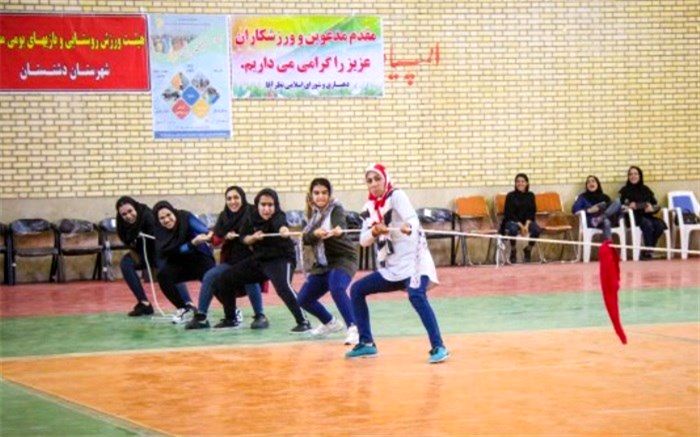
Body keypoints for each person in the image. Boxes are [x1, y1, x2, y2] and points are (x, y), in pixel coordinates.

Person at [345, 164, 449, 364]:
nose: (374, 184)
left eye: (377, 179)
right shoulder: (369, 209)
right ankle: (366, 343)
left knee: (416, 294)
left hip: (415, 263)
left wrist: (408, 226)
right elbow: (363, 240)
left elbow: (413, 219)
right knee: (357, 290)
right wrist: (374, 231)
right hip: (391, 268)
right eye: (369, 180)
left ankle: (439, 346)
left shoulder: (397, 196)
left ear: (385, 179)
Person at [210, 188, 311, 332]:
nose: (267, 209)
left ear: (275, 206)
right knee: (222, 280)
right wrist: (253, 238)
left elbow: (280, 224)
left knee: (283, 287)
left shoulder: (278, 216)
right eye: (263, 205)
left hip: (281, 258)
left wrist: (284, 231)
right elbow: (244, 237)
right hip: (260, 259)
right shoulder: (251, 217)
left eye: (270, 205)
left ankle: (304, 322)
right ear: (257, 205)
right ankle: (231, 318)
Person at [185, 186, 268, 330]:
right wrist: (220, 236)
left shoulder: (253, 212)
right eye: (229, 198)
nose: (233, 201)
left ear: (242, 198)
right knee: (210, 275)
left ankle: (260, 316)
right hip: (231, 261)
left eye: (236, 198)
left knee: (249, 276)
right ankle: (202, 317)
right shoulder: (224, 216)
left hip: (252, 259)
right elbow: (216, 239)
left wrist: (251, 236)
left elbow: (264, 229)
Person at [298, 178, 359, 345]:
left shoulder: (336, 209)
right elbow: (307, 238)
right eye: (317, 193)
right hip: (323, 262)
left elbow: (339, 224)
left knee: (337, 287)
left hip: (343, 258)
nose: (321, 196)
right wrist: (315, 234)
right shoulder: (312, 213)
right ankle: (330, 323)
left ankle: (354, 328)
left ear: (329, 194)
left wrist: (337, 230)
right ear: (311, 195)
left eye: (324, 193)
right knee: (303, 298)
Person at [115, 196, 189, 317]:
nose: (128, 216)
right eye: (124, 214)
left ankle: (188, 303)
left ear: (135, 208)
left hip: (157, 251)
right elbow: (127, 239)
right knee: (126, 263)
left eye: (130, 211)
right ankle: (144, 304)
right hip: (140, 253)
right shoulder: (121, 224)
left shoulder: (148, 215)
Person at [152, 201, 215, 324]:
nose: (166, 220)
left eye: (168, 215)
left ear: (173, 211)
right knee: (163, 276)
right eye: (162, 218)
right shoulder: (159, 231)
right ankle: (184, 309)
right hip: (179, 261)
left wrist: (210, 235)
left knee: (214, 281)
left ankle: (232, 311)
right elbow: (171, 252)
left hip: (200, 258)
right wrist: (192, 243)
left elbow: (204, 230)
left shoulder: (185, 217)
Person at [619, 166, 666, 260]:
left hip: (647, 215)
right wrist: (630, 206)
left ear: (640, 176)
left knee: (660, 225)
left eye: (635, 174)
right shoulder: (625, 190)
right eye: (630, 174)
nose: (633, 176)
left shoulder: (646, 189)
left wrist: (652, 209)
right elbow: (623, 204)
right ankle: (648, 252)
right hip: (634, 217)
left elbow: (655, 204)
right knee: (647, 224)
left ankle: (648, 250)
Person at [499, 173, 541, 263]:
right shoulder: (510, 196)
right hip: (512, 221)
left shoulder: (531, 195)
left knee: (537, 230)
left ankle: (528, 249)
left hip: (527, 221)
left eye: (522, 181)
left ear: (527, 183)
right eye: (518, 181)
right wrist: (521, 226)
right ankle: (513, 250)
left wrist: (526, 225)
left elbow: (532, 212)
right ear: (515, 183)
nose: (520, 183)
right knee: (513, 229)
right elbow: (509, 213)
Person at [571, 175, 622, 240]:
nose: (591, 183)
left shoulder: (605, 197)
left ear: (597, 184)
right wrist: (589, 210)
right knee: (606, 222)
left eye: (593, 181)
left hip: (605, 218)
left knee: (618, 201)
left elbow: (613, 210)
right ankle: (608, 248)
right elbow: (574, 209)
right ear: (586, 186)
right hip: (591, 220)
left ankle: (600, 218)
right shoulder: (582, 197)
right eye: (588, 182)